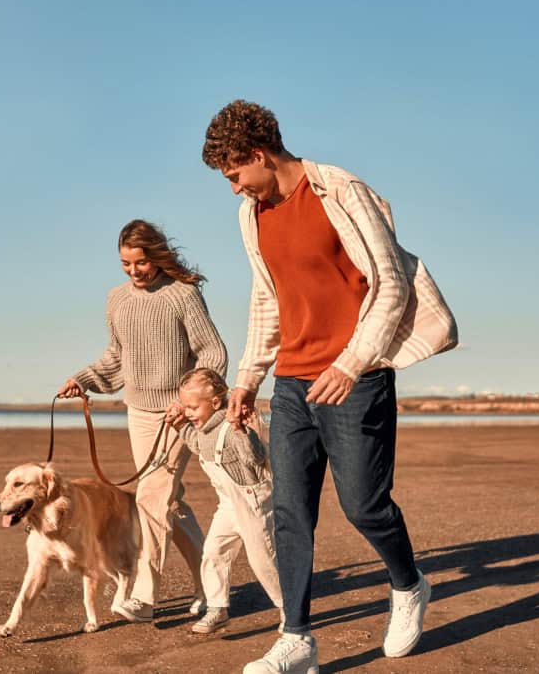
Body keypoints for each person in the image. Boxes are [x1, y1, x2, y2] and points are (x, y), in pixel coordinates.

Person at [201, 100, 458, 673]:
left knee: (365, 506)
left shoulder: (341, 191)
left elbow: (390, 283)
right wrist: (247, 378)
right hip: (292, 382)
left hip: (356, 378)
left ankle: (409, 584)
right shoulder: (253, 215)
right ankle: (297, 639)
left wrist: (351, 363)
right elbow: (267, 298)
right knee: (290, 511)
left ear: (260, 155)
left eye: (236, 175)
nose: (236, 189)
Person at [57, 219, 228, 622]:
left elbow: (213, 354)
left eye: (141, 262)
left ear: (157, 255)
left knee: (152, 499)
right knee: (169, 501)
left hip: (178, 415)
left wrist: (188, 403)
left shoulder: (182, 295)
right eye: (125, 263)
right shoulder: (117, 299)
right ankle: (211, 582)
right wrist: (82, 379)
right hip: (140, 412)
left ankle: (144, 597)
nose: (134, 271)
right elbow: (117, 359)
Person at [165, 367, 283, 635]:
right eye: (186, 407)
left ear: (215, 403)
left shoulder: (230, 428)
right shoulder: (203, 428)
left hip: (252, 503)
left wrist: (241, 431)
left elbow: (254, 456)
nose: (189, 412)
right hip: (228, 504)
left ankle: (289, 608)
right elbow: (196, 444)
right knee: (213, 552)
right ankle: (217, 608)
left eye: (193, 407)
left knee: (264, 560)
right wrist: (180, 425)